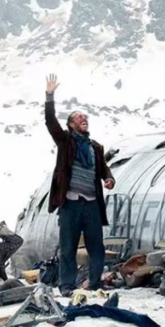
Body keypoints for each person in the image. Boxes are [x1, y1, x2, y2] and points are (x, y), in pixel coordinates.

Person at [43, 74, 115, 296]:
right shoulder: (66, 141)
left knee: (96, 247)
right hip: (71, 203)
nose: (83, 119)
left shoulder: (95, 147)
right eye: (78, 117)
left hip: (91, 204)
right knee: (68, 247)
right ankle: (67, 286)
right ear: (71, 125)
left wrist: (109, 178)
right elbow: (50, 122)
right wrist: (49, 96)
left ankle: (94, 283)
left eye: (85, 117)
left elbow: (102, 168)